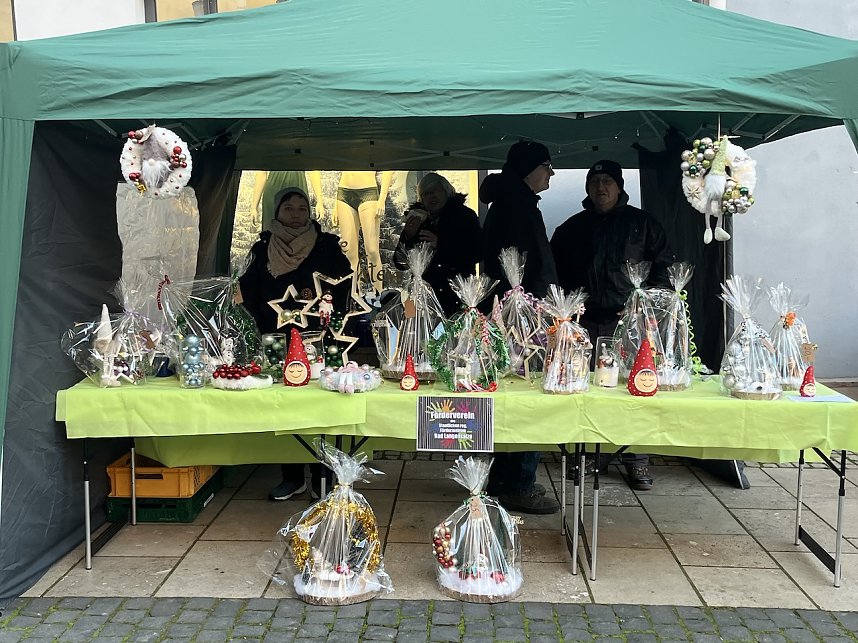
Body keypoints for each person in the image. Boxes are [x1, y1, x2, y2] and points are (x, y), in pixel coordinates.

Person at [550, 160, 674, 491]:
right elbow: (555, 276)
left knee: (635, 389)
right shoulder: (571, 229)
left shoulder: (643, 224)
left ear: (619, 186)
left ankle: (636, 457)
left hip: (631, 323)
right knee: (586, 389)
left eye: (607, 181)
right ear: (587, 188)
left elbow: (665, 272)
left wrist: (644, 305)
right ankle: (589, 454)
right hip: (585, 324)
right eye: (594, 182)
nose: (600, 187)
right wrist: (566, 313)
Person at [239, 186, 352, 501]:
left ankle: (321, 475)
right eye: (289, 208)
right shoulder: (262, 248)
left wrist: (329, 309)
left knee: (320, 405)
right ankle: (291, 476)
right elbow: (248, 289)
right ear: (277, 212)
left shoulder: (327, 246)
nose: (296, 213)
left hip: (317, 335)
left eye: (302, 208)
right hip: (275, 336)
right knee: (284, 405)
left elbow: (343, 284)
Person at [479, 141, 560, 515]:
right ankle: (517, 482)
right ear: (529, 168)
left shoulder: (510, 202)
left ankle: (503, 477)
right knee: (529, 394)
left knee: (508, 395)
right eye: (546, 165)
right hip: (522, 320)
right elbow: (522, 268)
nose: (551, 173)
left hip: (513, 312)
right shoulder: (517, 205)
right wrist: (539, 309)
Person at [393, 173, 481, 316]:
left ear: (446, 191)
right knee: (417, 333)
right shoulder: (417, 219)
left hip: (457, 295)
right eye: (426, 194)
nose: (431, 197)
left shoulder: (465, 217)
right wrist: (408, 236)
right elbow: (399, 263)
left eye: (435, 191)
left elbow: (477, 253)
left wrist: (441, 244)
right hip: (422, 297)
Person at [333, 171, 394, 296]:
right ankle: (353, 297)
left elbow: (389, 168)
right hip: (343, 191)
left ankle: (379, 295)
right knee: (349, 252)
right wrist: (335, 204)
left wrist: (382, 198)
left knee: (372, 250)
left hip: (368, 191)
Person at [252, 171, 324, 231]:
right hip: (273, 193)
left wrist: (319, 200)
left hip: (298, 189)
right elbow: (261, 173)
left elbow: (313, 169)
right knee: (271, 235)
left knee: (301, 232)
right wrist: (254, 206)